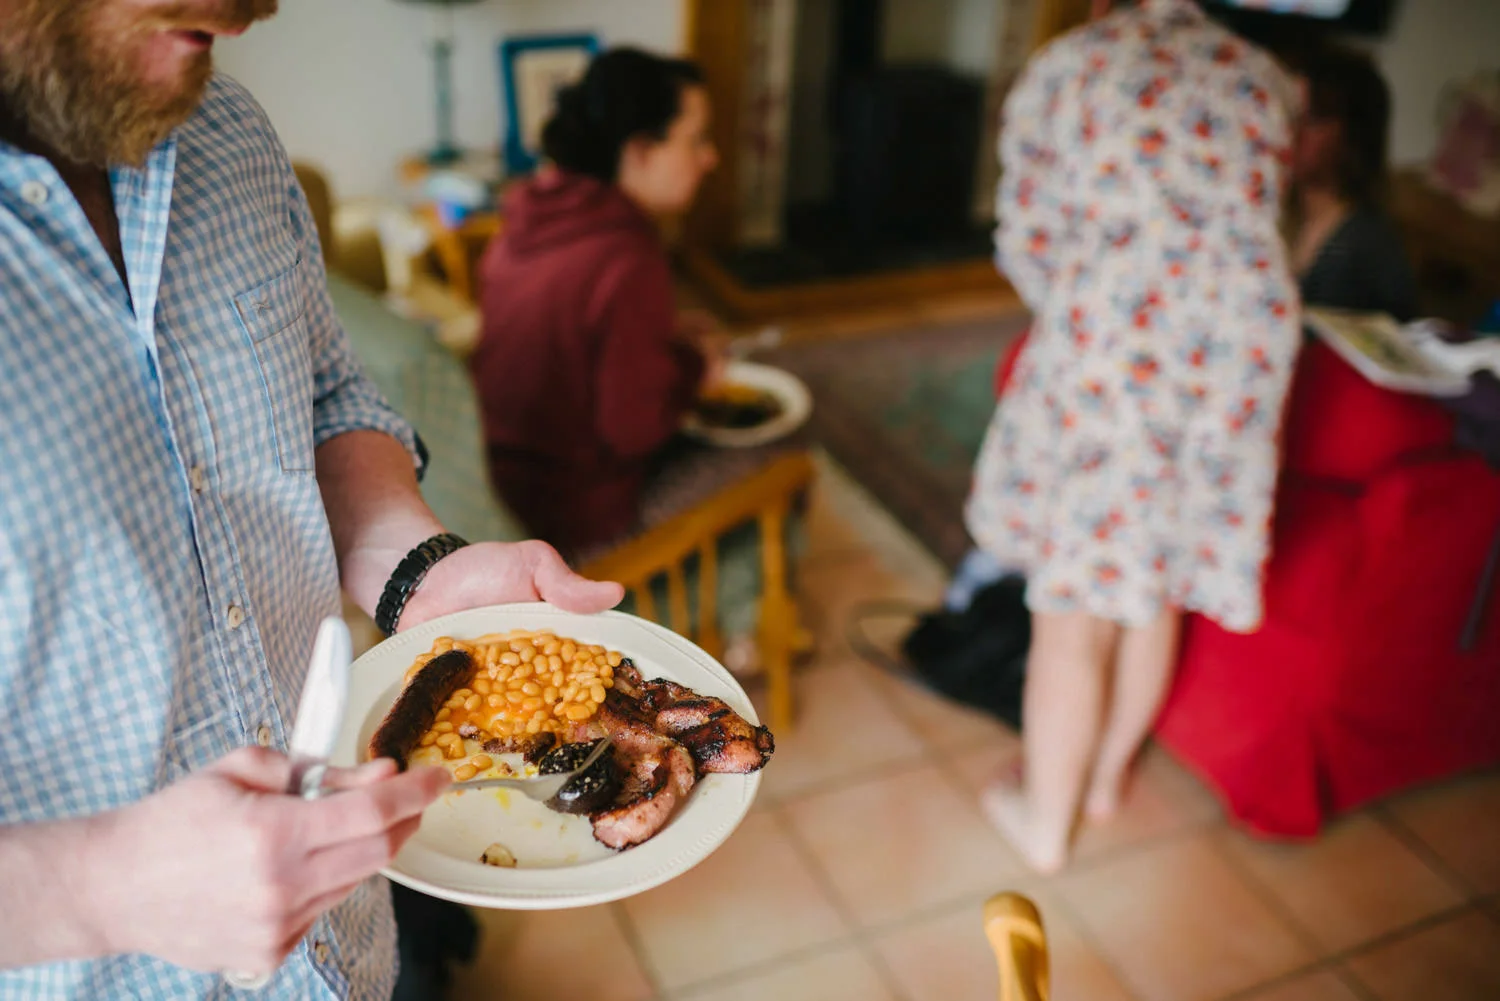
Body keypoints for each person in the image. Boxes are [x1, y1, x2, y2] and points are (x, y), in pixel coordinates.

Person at [0, 2, 622, 998]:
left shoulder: (227, 132)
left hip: (348, 948)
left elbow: (324, 400)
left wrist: (416, 568)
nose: (259, 9)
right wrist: (97, 886)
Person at [965, 0, 1301, 873]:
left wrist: (1087, 303)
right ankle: (1105, 778)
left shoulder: (1071, 65)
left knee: (1072, 614)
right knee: (1157, 587)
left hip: (1124, 338)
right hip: (1239, 346)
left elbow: (1028, 234)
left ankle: (1045, 826)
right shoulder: (1262, 75)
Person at [472, 47, 724, 558]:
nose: (710, 158)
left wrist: (663, 339)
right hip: (577, 522)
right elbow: (634, 431)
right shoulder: (627, 256)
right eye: (696, 140)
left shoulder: (528, 219)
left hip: (498, 491)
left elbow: (574, 338)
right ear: (639, 151)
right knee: (780, 454)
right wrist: (698, 367)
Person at [1284, 44, 1419, 319]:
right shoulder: (1275, 213)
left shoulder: (1365, 247)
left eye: (1314, 119)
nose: (1293, 130)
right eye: (1291, 114)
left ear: (1353, 136)